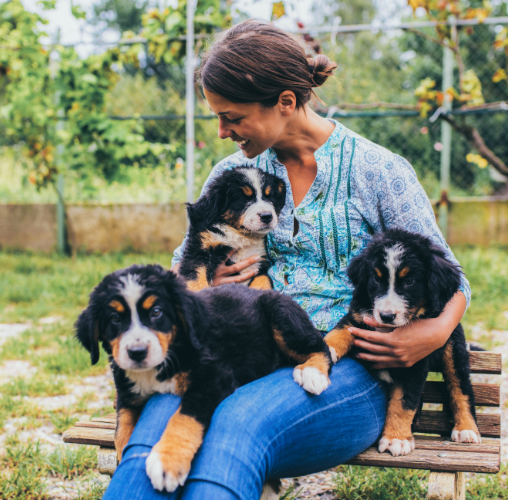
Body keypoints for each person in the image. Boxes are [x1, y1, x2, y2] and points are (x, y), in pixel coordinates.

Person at [102, 19, 470, 500]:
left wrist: (434, 332)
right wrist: (211, 282)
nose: (221, 131)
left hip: (345, 369)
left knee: (235, 424)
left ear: (286, 102)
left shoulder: (377, 170)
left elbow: (453, 277)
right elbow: (181, 272)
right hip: (234, 352)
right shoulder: (233, 173)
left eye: (231, 117)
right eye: (217, 117)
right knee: (152, 433)